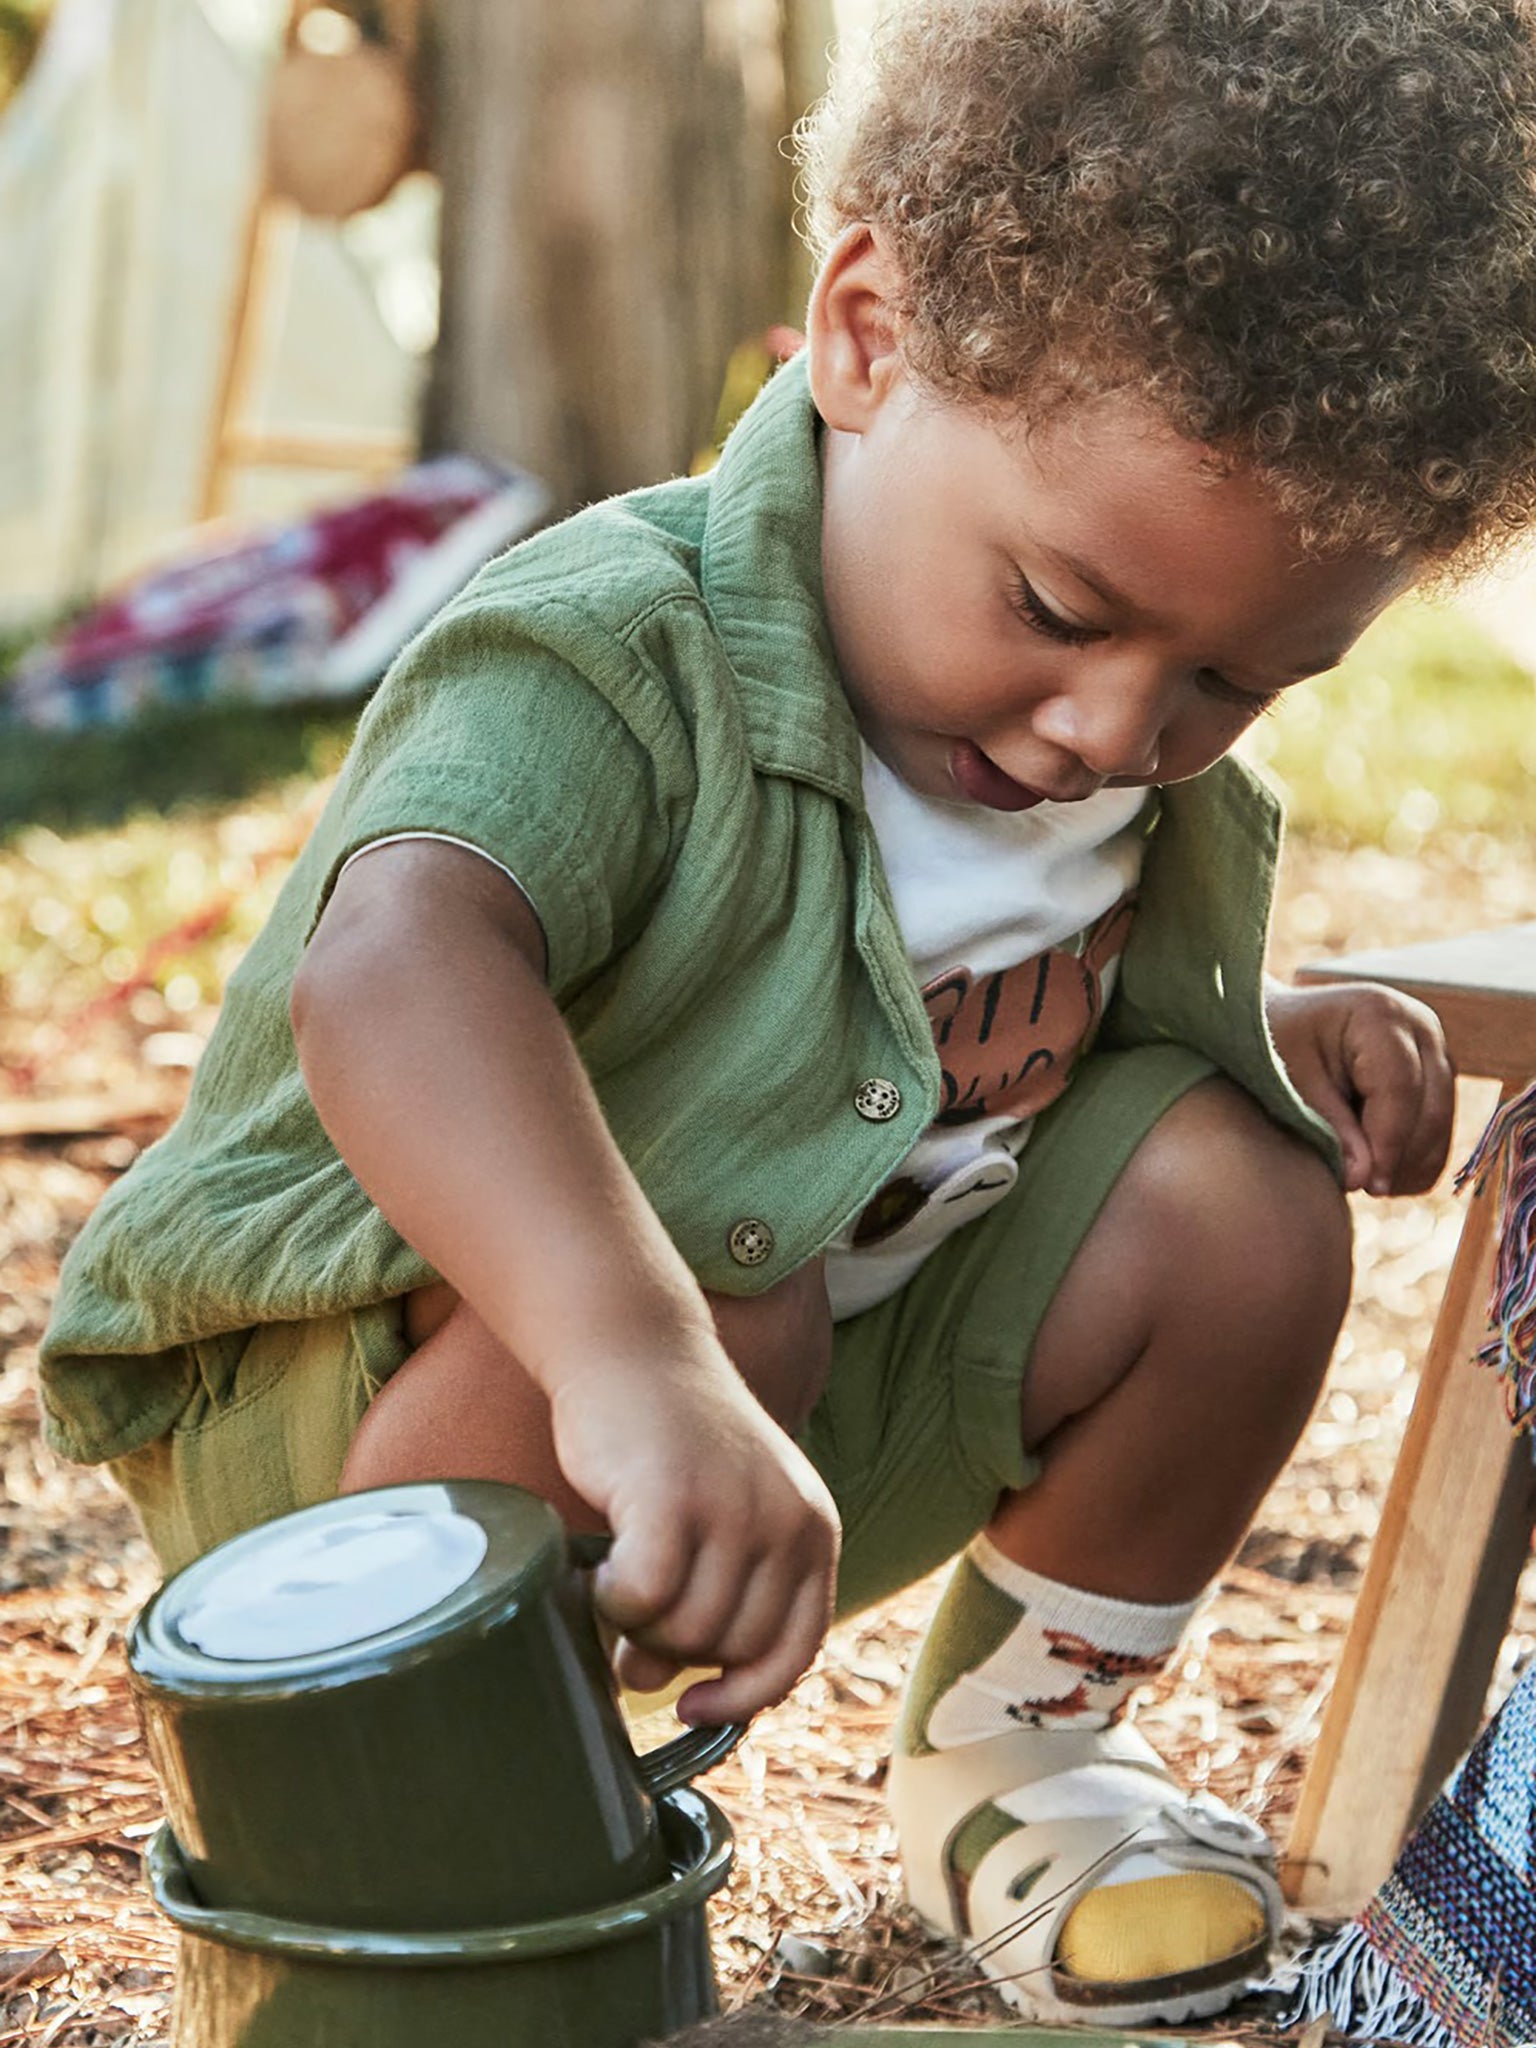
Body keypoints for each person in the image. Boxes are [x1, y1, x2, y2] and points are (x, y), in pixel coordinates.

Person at [39, 0, 1536, 2024]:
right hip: (392, 1422)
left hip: (788, 1376)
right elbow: (393, 967)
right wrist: (631, 1352)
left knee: (1249, 1209)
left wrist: (1254, 1014)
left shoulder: (1089, 754)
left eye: (1234, 684)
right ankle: (442, 1855)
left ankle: (1026, 1761)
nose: (1116, 730)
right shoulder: (617, 647)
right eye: (1065, 611)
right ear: (862, 331)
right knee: (723, 1299)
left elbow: (908, 997)